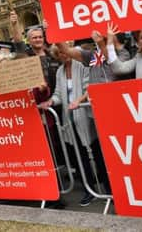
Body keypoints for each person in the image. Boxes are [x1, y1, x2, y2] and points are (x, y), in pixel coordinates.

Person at [39, 42, 109, 207]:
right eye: (59, 54)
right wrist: (50, 101)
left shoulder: (81, 65)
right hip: (69, 118)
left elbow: (88, 87)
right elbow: (58, 94)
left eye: (64, 52)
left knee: (98, 154)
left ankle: (108, 188)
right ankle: (88, 190)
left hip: (85, 115)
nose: (63, 56)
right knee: (79, 157)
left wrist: (79, 100)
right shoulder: (60, 71)